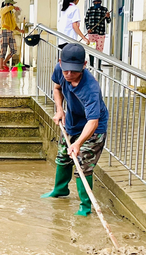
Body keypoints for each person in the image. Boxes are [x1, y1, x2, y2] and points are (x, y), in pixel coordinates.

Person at [41, 44, 108, 217]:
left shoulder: (90, 88)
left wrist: (78, 143)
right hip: (72, 121)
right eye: (66, 70)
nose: (69, 74)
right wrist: (59, 109)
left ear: (84, 65)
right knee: (63, 155)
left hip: (93, 129)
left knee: (82, 165)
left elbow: (93, 121)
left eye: (74, 71)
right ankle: (60, 190)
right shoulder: (60, 69)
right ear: (60, 63)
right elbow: (57, 88)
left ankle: (85, 206)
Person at [0, 0, 25, 72]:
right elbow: (7, 8)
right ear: (7, 4)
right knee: (3, 50)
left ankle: (4, 63)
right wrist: (13, 7)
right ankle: (0, 67)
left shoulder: (11, 13)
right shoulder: (2, 10)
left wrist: (20, 30)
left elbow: (14, 25)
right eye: (10, 4)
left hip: (11, 32)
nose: (12, 6)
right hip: (4, 31)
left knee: (14, 50)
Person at [85, 0, 111, 69]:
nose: (96, 3)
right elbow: (86, 20)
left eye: (98, 2)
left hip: (101, 33)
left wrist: (108, 17)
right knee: (91, 49)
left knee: (100, 50)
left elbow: (108, 21)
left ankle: (99, 67)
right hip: (92, 33)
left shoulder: (104, 10)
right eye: (95, 2)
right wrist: (88, 28)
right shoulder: (90, 10)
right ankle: (91, 66)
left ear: (100, 2)